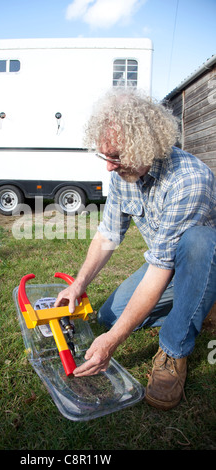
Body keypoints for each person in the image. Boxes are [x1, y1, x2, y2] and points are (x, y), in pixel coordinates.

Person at [55, 89, 216, 410]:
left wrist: (113, 342)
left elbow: (160, 268)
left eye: (115, 156)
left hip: (201, 261)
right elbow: (107, 235)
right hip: (165, 264)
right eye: (105, 156)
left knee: (200, 240)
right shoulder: (124, 175)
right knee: (108, 316)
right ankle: (203, 305)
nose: (109, 168)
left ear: (147, 146)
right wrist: (78, 284)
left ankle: (174, 350)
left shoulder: (189, 181)